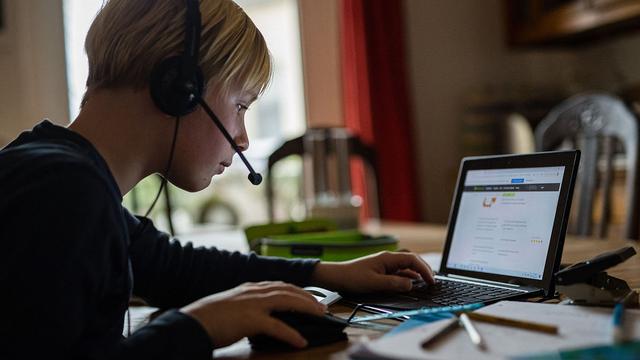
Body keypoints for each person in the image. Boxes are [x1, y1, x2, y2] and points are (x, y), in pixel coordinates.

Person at [0, 0, 434, 358]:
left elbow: (175, 268)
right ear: (180, 87)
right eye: (241, 105)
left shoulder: (63, 176)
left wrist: (329, 273)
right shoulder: (62, 192)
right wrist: (198, 327)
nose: (243, 139)